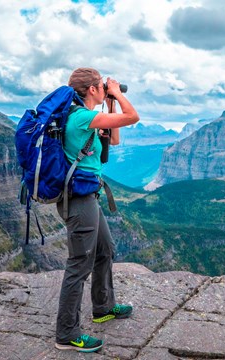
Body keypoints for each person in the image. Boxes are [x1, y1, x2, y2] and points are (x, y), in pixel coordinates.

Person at [54, 67, 139, 353]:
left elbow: (112, 141)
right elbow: (133, 118)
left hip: (89, 196)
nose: (105, 88)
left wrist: (110, 101)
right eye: (101, 86)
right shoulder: (81, 118)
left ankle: (103, 307)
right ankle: (66, 334)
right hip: (79, 202)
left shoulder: (87, 118)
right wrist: (115, 92)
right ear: (92, 89)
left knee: (106, 249)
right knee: (79, 264)